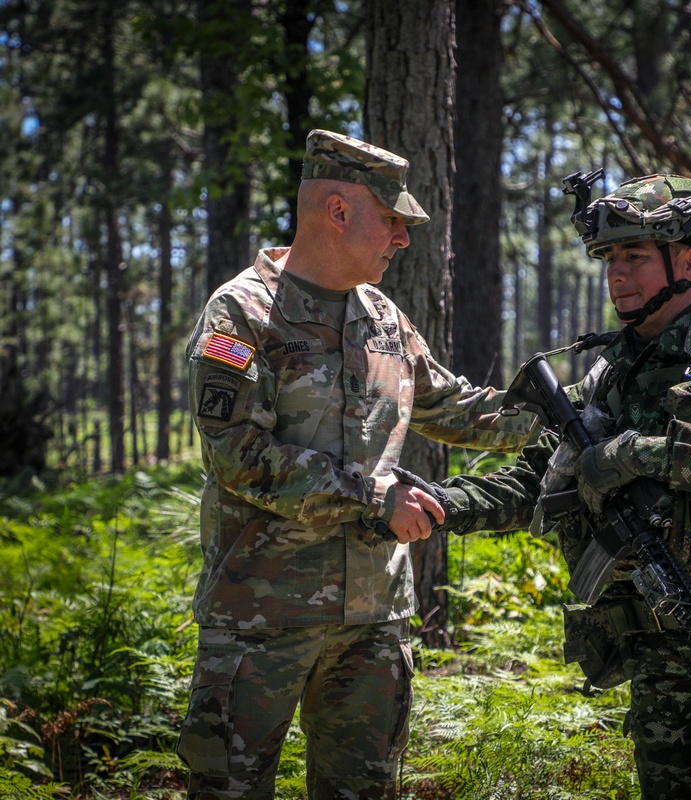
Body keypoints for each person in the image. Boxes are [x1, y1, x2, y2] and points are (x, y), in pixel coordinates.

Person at [398, 173, 691, 799]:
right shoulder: (611, 375)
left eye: (634, 256)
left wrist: (632, 454)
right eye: (609, 259)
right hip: (661, 638)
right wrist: (443, 506)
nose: (616, 275)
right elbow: (535, 483)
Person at [176, 129, 537, 800]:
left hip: (372, 624)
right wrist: (376, 498)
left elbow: (452, 406)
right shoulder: (240, 314)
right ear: (338, 211)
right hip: (259, 622)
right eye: (392, 219)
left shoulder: (385, 320)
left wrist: (566, 416)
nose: (402, 238)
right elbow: (239, 456)